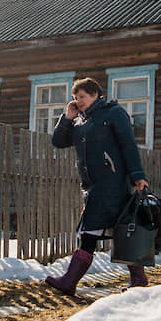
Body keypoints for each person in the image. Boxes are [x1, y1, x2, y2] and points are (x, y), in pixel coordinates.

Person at [44, 77, 150, 295]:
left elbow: (128, 144)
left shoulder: (113, 113)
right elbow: (58, 141)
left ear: (95, 94)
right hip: (91, 187)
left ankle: (69, 282)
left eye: (82, 96)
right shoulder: (80, 121)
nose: (78, 101)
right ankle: (138, 279)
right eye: (75, 97)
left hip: (112, 184)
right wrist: (67, 117)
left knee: (97, 232)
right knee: (119, 230)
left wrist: (137, 176)